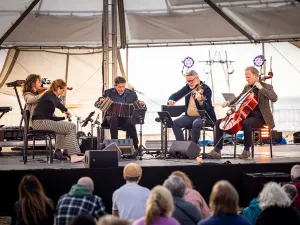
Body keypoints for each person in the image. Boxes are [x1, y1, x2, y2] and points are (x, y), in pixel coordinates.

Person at [207, 66, 278, 159]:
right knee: (219, 123)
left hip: (261, 118)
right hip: (246, 115)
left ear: (256, 75)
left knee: (246, 123)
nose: (246, 79)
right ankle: (217, 150)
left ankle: (246, 150)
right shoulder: (248, 87)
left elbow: (274, 98)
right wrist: (229, 102)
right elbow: (240, 97)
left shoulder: (267, 87)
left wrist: (261, 88)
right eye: (246, 77)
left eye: (248, 77)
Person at [31, 79, 84, 163]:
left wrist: (63, 118)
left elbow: (51, 117)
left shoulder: (49, 96)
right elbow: (57, 103)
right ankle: (73, 155)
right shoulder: (49, 93)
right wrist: (66, 110)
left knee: (71, 125)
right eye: (63, 90)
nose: (62, 93)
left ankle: (68, 152)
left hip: (43, 121)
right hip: (40, 122)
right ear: (58, 88)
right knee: (70, 127)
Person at [22, 74, 67, 161]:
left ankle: (61, 150)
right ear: (33, 83)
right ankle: (59, 151)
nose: (41, 83)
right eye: (39, 81)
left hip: (46, 118)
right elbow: (31, 99)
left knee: (63, 125)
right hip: (37, 122)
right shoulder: (27, 94)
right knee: (61, 125)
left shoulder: (42, 93)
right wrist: (47, 93)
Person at [95, 76, 145, 150]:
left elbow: (137, 105)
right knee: (114, 118)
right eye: (119, 87)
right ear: (115, 86)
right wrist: (101, 101)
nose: (121, 89)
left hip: (125, 119)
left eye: (123, 86)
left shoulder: (132, 94)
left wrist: (142, 104)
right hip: (111, 119)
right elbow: (96, 104)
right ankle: (114, 144)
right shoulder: (108, 92)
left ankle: (136, 146)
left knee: (131, 121)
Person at [168, 70, 216, 145]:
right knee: (174, 123)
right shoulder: (187, 88)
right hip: (189, 116)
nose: (189, 83)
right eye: (187, 81)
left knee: (196, 124)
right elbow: (177, 94)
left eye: (191, 81)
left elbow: (208, 107)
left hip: (203, 117)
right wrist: (171, 99)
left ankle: (193, 146)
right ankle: (181, 145)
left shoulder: (206, 89)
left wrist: (201, 102)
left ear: (197, 78)